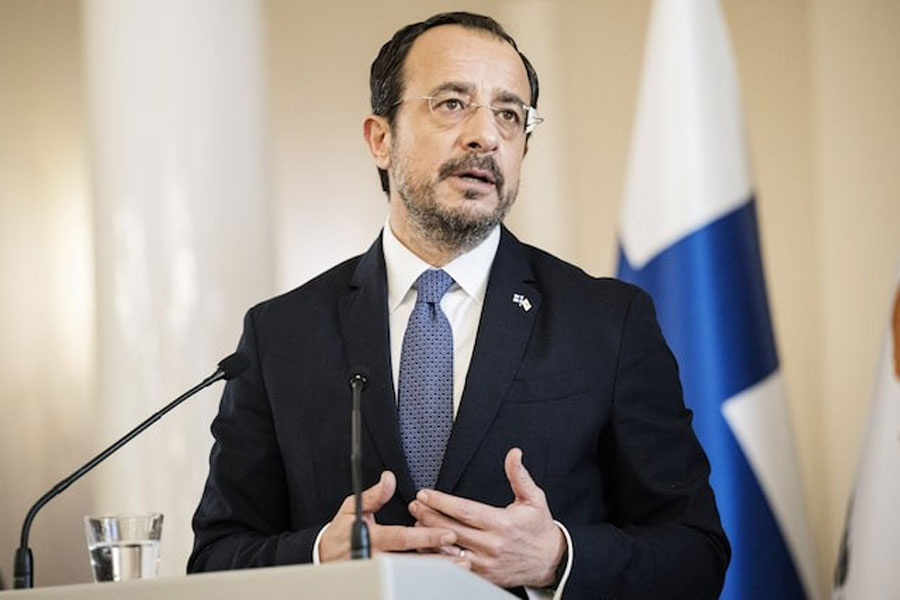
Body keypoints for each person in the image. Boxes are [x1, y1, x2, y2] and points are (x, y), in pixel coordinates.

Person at [188, 12, 729, 599]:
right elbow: (216, 557)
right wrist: (318, 556)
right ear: (380, 138)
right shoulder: (281, 335)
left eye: (509, 114)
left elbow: (695, 550)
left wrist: (557, 558)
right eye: (451, 103)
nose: (486, 136)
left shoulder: (608, 321)